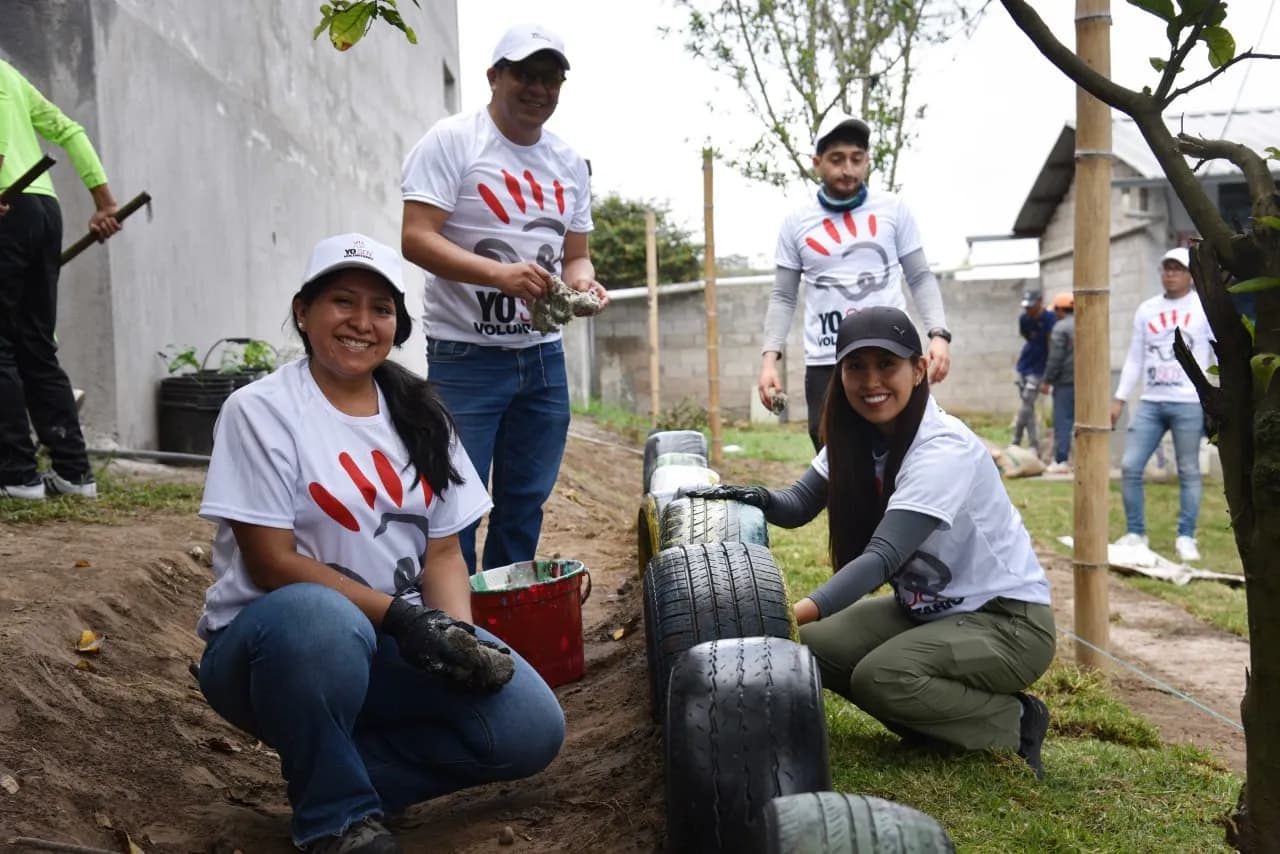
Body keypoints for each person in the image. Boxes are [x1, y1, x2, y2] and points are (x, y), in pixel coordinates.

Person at [195, 234, 565, 854]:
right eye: (343, 301)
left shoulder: (422, 414)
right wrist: (403, 619)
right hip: (274, 648)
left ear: (398, 324)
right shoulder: (259, 410)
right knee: (320, 617)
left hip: (393, 642)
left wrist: (454, 640)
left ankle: (337, 772)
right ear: (303, 312)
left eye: (381, 308)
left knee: (530, 727)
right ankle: (335, 822)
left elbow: (444, 554)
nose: (361, 322)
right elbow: (271, 563)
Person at [695, 306, 1055, 778]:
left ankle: (1016, 722)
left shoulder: (942, 448)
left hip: (1008, 621)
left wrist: (781, 614)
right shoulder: (858, 435)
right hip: (928, 609)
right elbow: (799, 504)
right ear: (839, 373)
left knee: (881, 676)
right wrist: (755, 498)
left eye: (887, 364)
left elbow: (880, 559)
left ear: (919, 369)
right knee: (804, 648)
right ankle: (939, 720)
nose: (871, 381)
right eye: (856, 367)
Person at [401, 23, 609, 573]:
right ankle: (453, 613)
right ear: (494, 76)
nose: (539, 89)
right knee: (455, 506)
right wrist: (499, 276)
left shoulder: (569, 163)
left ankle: (502, 611)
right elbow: (416, 237)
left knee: (524, 504)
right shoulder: (452, 141)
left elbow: (576, 256)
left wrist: (582, 283)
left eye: (551, 79)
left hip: (542, 360)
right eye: (525, 75)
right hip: (465, 358)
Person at [758, 113, 951, 451]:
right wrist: (769, 360)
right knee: (832, 453)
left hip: (891, 354)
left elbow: (920, 276)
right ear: (817, 163)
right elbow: (784, 295)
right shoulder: (796, 222)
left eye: (856, 159)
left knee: (905, 450)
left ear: (867, 160)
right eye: (837, 159)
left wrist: (939, 334)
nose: (848, 169)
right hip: (827, 359)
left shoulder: (893, 210)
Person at [0, 58, 121, 500]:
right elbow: (70, 130)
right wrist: (104, 201)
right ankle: (74, 474)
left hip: (9, 207)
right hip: (44, 211)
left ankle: (16, 475)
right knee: (35, 345)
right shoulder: (9, 73)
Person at [1110, 246, 1214, 563]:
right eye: (1167, 268)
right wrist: (1119, 398)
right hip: (1151, 402)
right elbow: (1135, 358)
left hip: (1188, 402)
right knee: (1130, 466)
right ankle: (1136, 533)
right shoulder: (1147, 309)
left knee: (1189, 470)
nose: (1171, 274)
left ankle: (1186, 537)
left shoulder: (1204, 308)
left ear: (1191, 275)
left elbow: (1220, 349)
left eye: (1178, 268)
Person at [1013, 288, 1054, 452]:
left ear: (1040, 302)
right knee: (1028, 408)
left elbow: (1053, 346)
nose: (1028, 310)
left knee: (1026, 403)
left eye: (1031, 306)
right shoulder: (1024, 319)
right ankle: (1033, 445)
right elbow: (1027, 337)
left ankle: (1015, 441)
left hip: (1039, 369)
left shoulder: (1050, 319)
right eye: (1026, 306)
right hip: (1024, 365)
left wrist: (1048, 377)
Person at [1040, 292, 1075, 473]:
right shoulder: (1085, 323)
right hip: (1086, 383)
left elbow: (1055, 358)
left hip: (1065, 382)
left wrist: (1047, 380)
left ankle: (1061, 460)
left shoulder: (1060, 328)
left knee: (1063, 421)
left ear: (1061, 310)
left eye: (1056, 311)